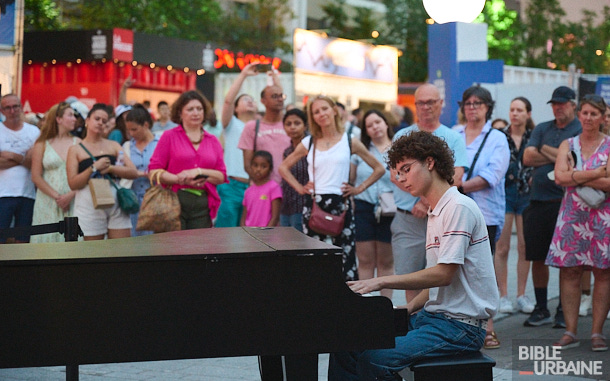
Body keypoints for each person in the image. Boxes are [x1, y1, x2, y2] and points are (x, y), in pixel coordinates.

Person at [328, 131, 499, 380]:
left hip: (461, 328)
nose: (401, 179)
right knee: (348, 344)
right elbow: (434, 289)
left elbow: (443, 275)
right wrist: (405, 309)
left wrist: (381, 280)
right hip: (433, 319)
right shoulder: (435, 210)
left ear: (430, 162)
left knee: (375, 361)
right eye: (398, 172)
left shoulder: (458, 207)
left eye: (406, 169)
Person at [280, 95, 385, 281]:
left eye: (324, 109)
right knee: (313, 257)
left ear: (334, 110)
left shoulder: (349, 140)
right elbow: (283, 167)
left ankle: (346, 302)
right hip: (314, 203)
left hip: (340, 203)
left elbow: (379, 168)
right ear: (313, 117)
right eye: (316, 112)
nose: (321, 114)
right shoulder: (309, 142)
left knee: (346, 257)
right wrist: (300, 187)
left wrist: (358, 188)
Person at [391, 83, 468, 304]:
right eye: (421, 103)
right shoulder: (402, 136)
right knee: (409, 279)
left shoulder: (453, 137)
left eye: (431, 102)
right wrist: (423, 198)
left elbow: (457, 177)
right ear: (415, 106)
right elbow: (395, 175)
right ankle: (414, 328)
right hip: (408, 220)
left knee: (441, 277)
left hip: (443, 217)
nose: (426, 107)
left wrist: (426, 203)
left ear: (441, 104)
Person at [545, 94, 610, 352]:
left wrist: (575, 176)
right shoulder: (568, 144)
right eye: (585, 112)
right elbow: (559, 177)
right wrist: (597, 173)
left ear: (603, 117)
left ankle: (597, 332)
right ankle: (570, 330)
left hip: (602, 217)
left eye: (594, 113)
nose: (588, 118)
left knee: (603, 273)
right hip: (572, 216)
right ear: (579, 114)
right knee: (570, 271)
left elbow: (609, 183)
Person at [453, 85, 510, 349]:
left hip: (485, 213)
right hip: (454, 212)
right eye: (468, 103)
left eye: (478, 103)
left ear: (488, 107)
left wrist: (459, 187)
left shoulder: (497, 137)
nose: (472, 107)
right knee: (455, 267)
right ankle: (459, 323)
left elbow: (492, 176)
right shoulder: (453, 134)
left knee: (481, 270)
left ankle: (488, 325)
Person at [522, 86, 582, 328]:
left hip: (565, 202)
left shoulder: (579, 129)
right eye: (554, 104)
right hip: (537, 201)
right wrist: (559, 155)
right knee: (537, 257)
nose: (558, 107)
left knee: (567, 260)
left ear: (572, 105)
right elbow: (527, 157)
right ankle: (541, 306)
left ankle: (562, 309)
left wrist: (544, 151)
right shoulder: (542, 127)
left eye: (562, 103)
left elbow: (576, 161)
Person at [148, 90, 227, 230]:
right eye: (190, 109)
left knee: (199, 248)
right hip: (173, 200)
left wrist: (199, 171)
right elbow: (154, 170)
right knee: (173, 248)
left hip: (203, 203)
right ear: (180, 113)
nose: (196, 113)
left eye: (199, 109)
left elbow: (221, 176)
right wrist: (179, 179)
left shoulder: (213, 140)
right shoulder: (169, 136)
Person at [66, 104, 138, 240]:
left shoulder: (113, 145)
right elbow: (73, 183)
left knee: (122, 249)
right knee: (93, 252)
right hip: (88, 199)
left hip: (115, 197)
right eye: (97, 119)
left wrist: (111, 168)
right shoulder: (75, 149)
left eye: (104, 121)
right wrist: (93, 168)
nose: (100, 123)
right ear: (87, 121)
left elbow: (133, 172)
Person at [495, 97, 536, 315]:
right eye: (512, 109)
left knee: (524, 246)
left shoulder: (534, 135)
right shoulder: (500, 135)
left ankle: (521, 294)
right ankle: (503, 295)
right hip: (505, 192)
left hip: (527, 193)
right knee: (502, 246)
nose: (515, 113)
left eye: (520, 110)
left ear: (528, 113)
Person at [351, 110, 395, 298]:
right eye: (369, 125)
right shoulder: (360, 152)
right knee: (365, 260)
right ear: (365, 130)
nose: (375, 127)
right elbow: (350, 179)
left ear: (386, 123)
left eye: (377, 122)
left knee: (386, 261)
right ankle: (365, 305)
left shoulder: (398, 148)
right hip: (363, 207)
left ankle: (386, 306)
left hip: (390, 208)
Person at [30, 102, 80, 243]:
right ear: (58, 119)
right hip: (48, 200)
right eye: (70, 115)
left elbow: (87, 174)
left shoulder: (79, 142)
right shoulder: (42, 144)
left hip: (74, 199)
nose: (74, 119)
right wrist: (58, 197)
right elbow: (36, 175)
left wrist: (70, 195)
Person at [215, 63, 258, 227]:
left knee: (249, 236)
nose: (250, 102)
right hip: (231, 187)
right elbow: (227, 101)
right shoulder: (231, 124)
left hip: (254, 187)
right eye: (246, 99)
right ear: (236, 108)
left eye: (253, 100)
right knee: (226, 234)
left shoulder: (260, 127)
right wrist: (243, 75)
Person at [0, 94, 40, 243]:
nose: (12, 111)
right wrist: (24, 157)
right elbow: (29, 160)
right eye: (7, 108)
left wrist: (12, 156)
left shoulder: (34, 131)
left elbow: (35, 162)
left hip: (27, 193)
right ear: (2, 110)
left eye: (15, 106)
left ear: (21, 107)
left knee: (23, 240)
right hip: (2, 194)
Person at [238, 72, 290, 185]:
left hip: (289, 189)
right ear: (263, 101)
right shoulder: (252, 127)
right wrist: (265, 187)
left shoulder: (290, 125)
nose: (280, 99)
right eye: (274, 97)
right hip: (263, 191)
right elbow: (247, 165)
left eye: (281, 96)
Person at [123, 104, 159, 236]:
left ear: (145, 125)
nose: (132, 134)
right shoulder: (127, 146)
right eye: (129, 130)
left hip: (156, 200)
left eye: (134, 129)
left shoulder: (160, 143)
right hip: (132, 202)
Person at [280, 108, 309, 231]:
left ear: (305, 126)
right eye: (288, 124)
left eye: (297, 123)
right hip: (286, 205)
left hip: (304, 206)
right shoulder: (287, 151)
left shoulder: (312, 147)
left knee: (301, 246)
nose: (292, 127)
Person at [240, 150, 282, 227]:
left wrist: (265, 234)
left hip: (267, 235)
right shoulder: (248, 191)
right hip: (250, 235)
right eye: (255, 165)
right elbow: (243, 218)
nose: (258, 169)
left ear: (270, 168)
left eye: (263, 166)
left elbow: (275, 217)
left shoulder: (273, 187)